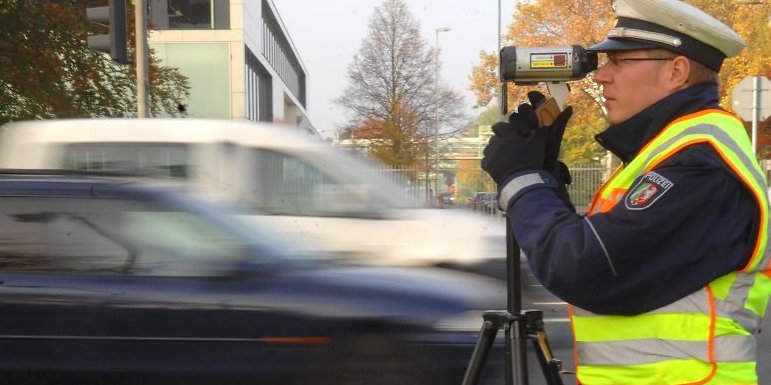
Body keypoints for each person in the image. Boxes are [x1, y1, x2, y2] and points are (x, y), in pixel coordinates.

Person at [481, 0, 771, 383]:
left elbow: (584, 268)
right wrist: (544, 176)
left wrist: (522, 180)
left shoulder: (701, 165)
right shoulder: (669, 153)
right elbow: (603, 250)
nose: (601, 77)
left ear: (676, 71)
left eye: (619, 62)